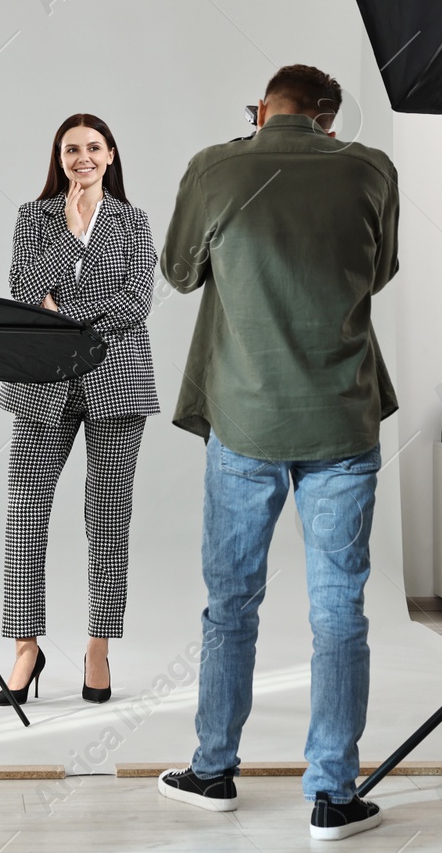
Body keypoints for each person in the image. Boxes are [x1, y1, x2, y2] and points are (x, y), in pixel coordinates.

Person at [154, 65, 398, 842]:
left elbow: (179, 271)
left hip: (246, 420)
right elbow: (378, 271)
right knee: (339, 613)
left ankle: (214, 768)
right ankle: (332, 792)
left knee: (230, 604)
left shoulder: (216, 166)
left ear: (261, 110)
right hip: (341, 421)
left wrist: (246, 147)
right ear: (328, 121)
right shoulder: (370, 169)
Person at [0, 112, 160, 707]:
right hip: (42, 378)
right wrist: (79, 299)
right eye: (71, 149)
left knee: (108, 518)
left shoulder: (133, 221)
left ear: (111, 155)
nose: (81, 157)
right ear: (58, 157)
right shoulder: (33, 217)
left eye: (93, 148)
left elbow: (138, 300)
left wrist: (62, 305)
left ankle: (98, 647)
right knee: (25, 511)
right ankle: (25, 647)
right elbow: (22, 289)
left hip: (119, 379)